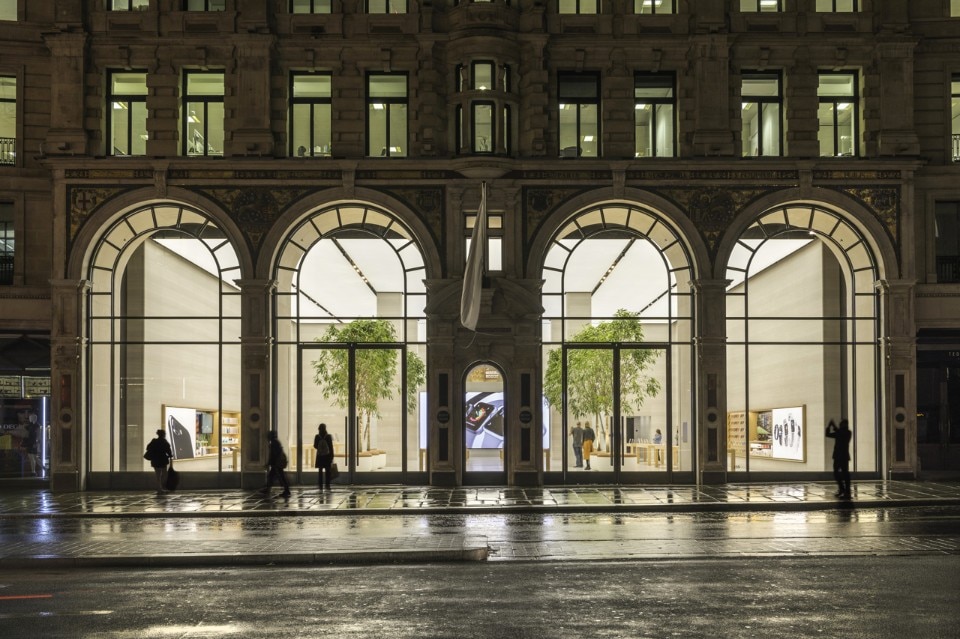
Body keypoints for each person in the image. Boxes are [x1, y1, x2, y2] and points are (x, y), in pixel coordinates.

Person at [826, 418, 852, 499]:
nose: (840, 425)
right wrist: (829, 426)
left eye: (841, 424)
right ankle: (842, 489)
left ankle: (846, 491)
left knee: (845, 474)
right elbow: (828, 434)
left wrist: (833, 425)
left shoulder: (847, 432)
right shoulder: (841, 432)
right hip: (838, 456)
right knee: (837, 474)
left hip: (843, 456)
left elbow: (840, 433)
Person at [144, 429, 173, 495]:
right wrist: (170, 455)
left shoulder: (154, 441)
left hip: (155, 460)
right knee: (164, 474)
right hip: (163, 460)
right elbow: (169, 451)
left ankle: (159, 488)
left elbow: (148, 448)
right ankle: (162, 488)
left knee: (158, 475)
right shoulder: (164, 442)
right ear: (164, 434)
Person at [264, 430, 291, 499]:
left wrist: (270, 462)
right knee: (273, 476)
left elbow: (274, 454)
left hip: (277, 463)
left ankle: (286, 490)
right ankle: (268, 489)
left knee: (280, 476)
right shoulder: (275, 442)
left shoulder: (274, 443)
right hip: (277, 463)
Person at [313, 422, 334, 491]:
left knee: (320, 471)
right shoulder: (328, 436)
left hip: (320, 456)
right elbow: (331, 447)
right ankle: (327, 485)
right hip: (327, 456)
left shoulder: (317, 436)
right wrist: (332, 456)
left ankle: (320, 485)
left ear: (319, 429)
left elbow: (315, 446)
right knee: (327, 471)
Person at [21, 412, 41, 477]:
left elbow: (38, 435)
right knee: (34, 457)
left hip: (32, 443)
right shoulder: (31, 425)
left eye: (30, 417)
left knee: (32, 457)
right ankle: (44, 469)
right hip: (31, 443)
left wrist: (36, 443)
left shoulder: (36, 426)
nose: (29, 418)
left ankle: (33, 471)